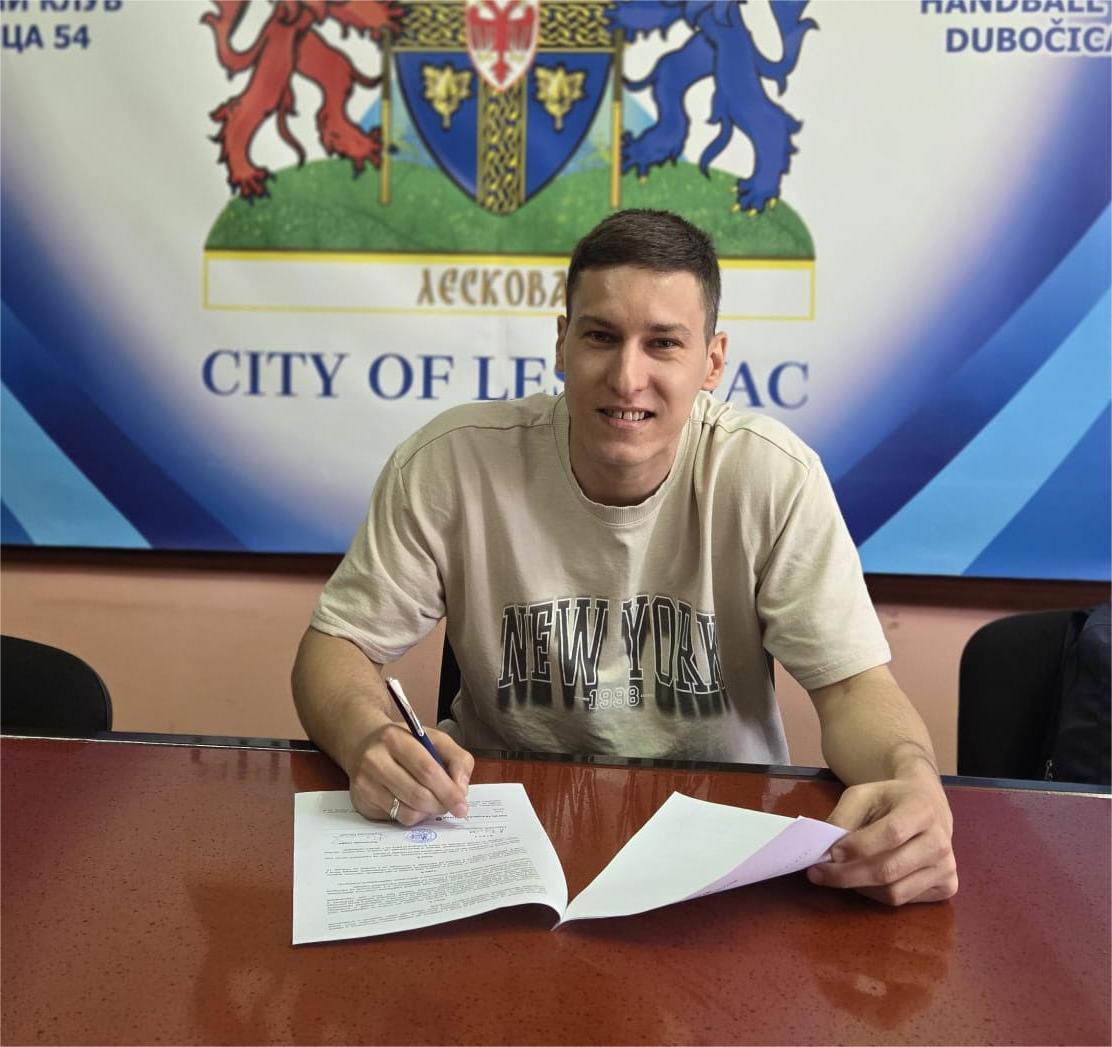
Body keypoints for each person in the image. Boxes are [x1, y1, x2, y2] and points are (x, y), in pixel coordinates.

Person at [292, 209, 958, 907]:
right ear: (561, 343)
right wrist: (368, 736)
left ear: (712, 361)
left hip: (717, 848)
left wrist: (911, 777)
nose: (626, 376)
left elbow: (853, 690)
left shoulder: (771, 475)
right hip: (492, 833)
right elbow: (336, 648)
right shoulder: (452, 463)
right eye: (601, 336)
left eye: (663, 343)